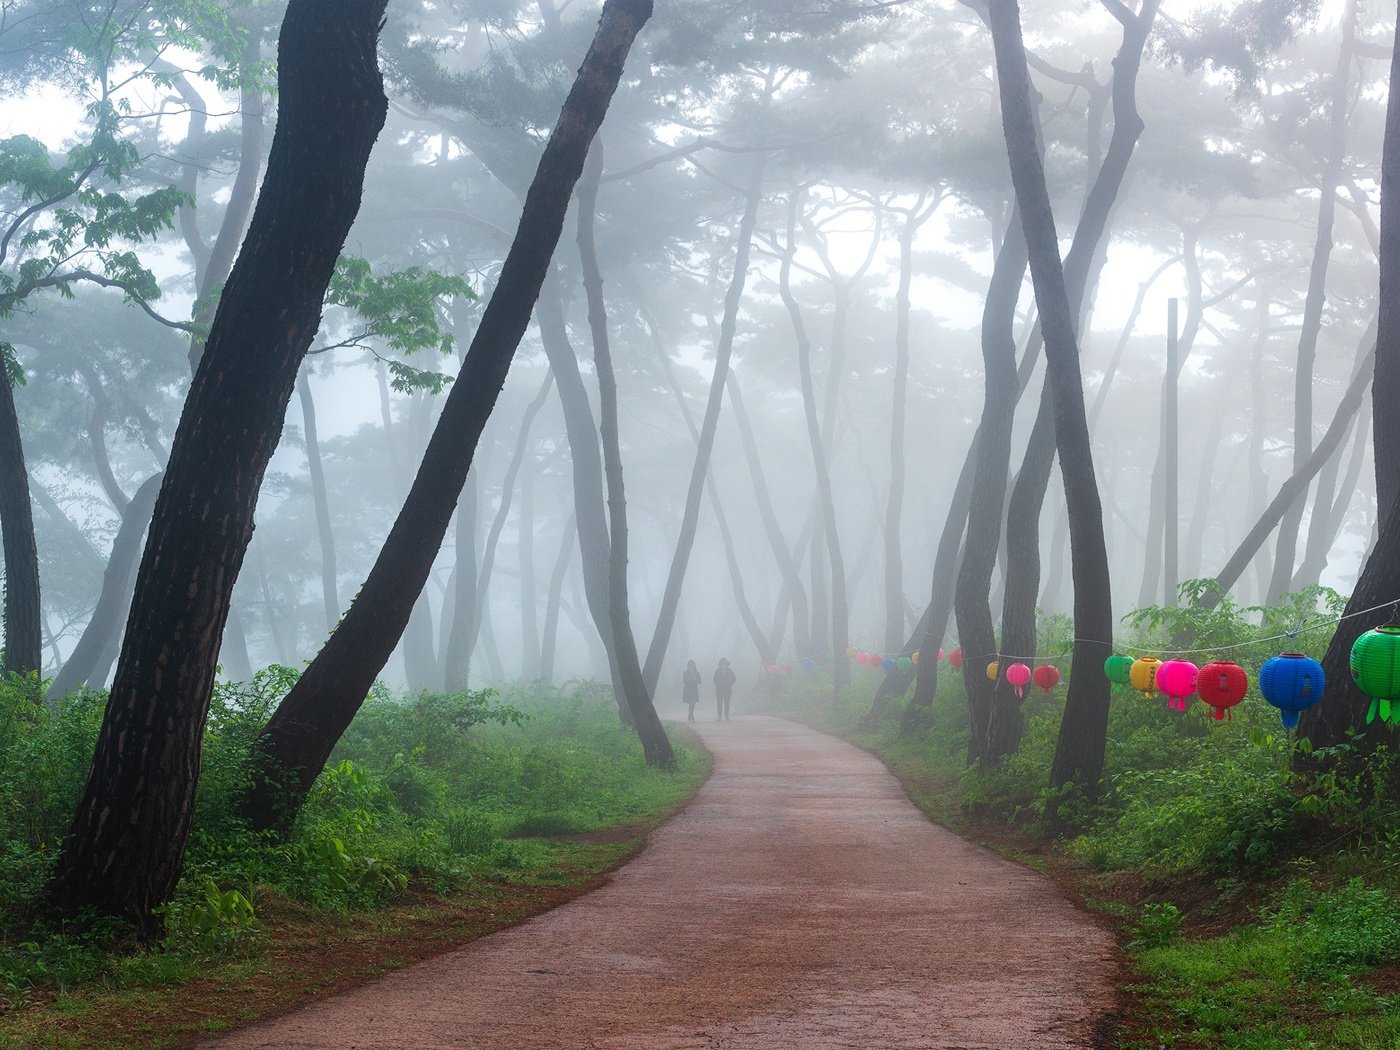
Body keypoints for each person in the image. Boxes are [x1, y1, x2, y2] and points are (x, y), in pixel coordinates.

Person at [714, 657, 737, 721]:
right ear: (720, 665)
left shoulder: (730, 671)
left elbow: (734, 679)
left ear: (727, 665)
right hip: (719, 690)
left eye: (724, 664)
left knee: (727, 703)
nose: (723, 665)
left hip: (728, 690)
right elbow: (714, 679)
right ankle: (719, 717)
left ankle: (726, 716)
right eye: (722, 664)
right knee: (719, 703)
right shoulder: (717, 671)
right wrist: (719, 684)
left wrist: (729, 685)